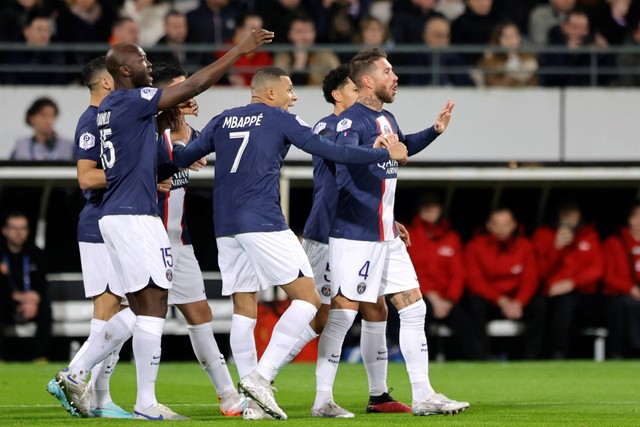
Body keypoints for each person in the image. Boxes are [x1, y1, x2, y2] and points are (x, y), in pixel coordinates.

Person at [48, 28, 274, 420]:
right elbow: (196, 84)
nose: (148, 65)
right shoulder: (131, 101)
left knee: (139, 307)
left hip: (123, 215)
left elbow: (150, 157)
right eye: (141, 60)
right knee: (152, 305)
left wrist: (179, 151)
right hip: (134, 217)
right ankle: (142, 402)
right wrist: (239, 50)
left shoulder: (108, 111)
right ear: (121, 71)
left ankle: (78, 371)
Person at [170, 66, 408, 420]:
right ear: (269, 94)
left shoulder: (223, 120)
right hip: (263, 221)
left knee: (243, 306)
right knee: (309, 300)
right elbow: (334, 152)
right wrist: (382, 153)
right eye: (290, 89)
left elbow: (180, 159)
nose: (293, 97)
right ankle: (260, 378)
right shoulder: (280, 118)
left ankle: (252, 406)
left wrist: (164, 158)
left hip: (226, 225)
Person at [317, 48, 468, 417]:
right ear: (367, 80)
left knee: (414, 306)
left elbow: (402, 148)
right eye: (388, 71)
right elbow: (346, 156)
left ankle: (424, 394)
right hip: (355, 234)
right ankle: (320, 398)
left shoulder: (386, 117)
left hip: (385, 233)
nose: (395, 76)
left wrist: (433, 132)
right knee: (343, 312)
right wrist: (380, 150)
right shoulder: (351, 121)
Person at [273, 65, 412, 418]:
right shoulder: (328, 127)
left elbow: (365, 182)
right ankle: (263, 376)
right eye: (353, 90)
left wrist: (386, 219)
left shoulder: (359, 126)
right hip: (328, 233)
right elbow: (348, 163)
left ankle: (379, 394)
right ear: (337, 94)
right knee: (324, 316)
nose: (360, 97)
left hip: (362, 232)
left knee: (376, 306)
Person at [152, 61, 248, 416]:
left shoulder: (189, 132)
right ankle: (85, 379)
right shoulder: (146, 128)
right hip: (146, 236)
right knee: (128, 317)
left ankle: (227, 395)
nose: (189, 92)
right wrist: (175, 161)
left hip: (179, 240)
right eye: (182, 87)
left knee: (199, 313)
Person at [44, 56, 132, 419]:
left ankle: (97, 396)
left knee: (118, 309)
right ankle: (79, 381)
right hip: (98, 224)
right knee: (114, 309)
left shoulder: (108, 119)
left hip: (110, 224)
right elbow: (86, 177)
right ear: (107, 84)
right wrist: (130, 176)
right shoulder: (91, 120)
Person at [404, 193, 482, 360]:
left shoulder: (451, 237)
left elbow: (458, 273)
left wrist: (449, 300)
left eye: (433, 207)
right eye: (426, 208)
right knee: (419, 315)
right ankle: (423, 361)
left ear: (439, 209)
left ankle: (479, 361)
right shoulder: (408, 235)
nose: (430, 212)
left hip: (447, 299)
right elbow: (408, 270)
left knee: (465, 322)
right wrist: (430, 295)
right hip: (419, 295)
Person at [465, 206, 545, 359]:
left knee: (540, 305)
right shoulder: (475, 246)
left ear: (514, 225)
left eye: (506, 224)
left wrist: (518, 302)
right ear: (489, 225)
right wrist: (502, 301)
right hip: (492, 301)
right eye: (497, 224)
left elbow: (530, 279)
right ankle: (482, 357)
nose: (501, 229)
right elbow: (475, 281)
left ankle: (530, 358)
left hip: (517, 302)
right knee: (475, 305)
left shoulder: (525, 246)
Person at [532, 201, 604, 359]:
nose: (568, 217)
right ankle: (543, 355)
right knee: (543, 306)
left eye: (572, 212)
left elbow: (597, 269)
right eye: (564, 212)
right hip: (550, 296)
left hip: (583, 296)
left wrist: (572, 283)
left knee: (568, 302)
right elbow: (540, 273)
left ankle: (561, 353)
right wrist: (556, 248)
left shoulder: (589, 236)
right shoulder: (543, 235)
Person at [0, 212, 52, 362]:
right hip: (7, 301)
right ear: (5, 230)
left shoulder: (36, 253)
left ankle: (39, 356)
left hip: (31, 303)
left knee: (45, 308)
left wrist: (34, 300)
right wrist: (19, 297)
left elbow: (42, 283)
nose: (18, 233)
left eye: (22, 229)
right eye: (13, 228)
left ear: (28, 231)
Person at [602, 202, 640, 358]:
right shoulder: (614, 242)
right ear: (630, 219)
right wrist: (630, 288)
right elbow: (608, 276)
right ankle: (630, 351)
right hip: (619, 295)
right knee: (626, 304)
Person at [403, 15, 474, 86]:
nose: (443, 40)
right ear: (425, 36)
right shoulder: (415, 60)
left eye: (446, 36)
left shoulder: (456, 60)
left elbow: (467, 86)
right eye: (438, 35)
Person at [1, 12, 68, 85]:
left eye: (47, 30)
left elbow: (60, 84)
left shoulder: (56, 57)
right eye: (39, 29)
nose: (44, 35)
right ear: (26, 32)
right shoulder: (14, 57)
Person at [274, 13, 341, 86]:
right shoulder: (283, 55)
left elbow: (338, 81)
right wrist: (299, 64)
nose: (305, 37)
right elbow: (279, 86)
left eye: (308, 31)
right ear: (290, 35)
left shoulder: (325, 55)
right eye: (299, 32)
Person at [216, 13, 273, 87]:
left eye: (261, 29)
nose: (259, 33)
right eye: (253, 29)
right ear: (239, 30)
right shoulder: (224, 51)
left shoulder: (264, 53)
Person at [10, 97, 74, 161]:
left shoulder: (67, 147)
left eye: (52, 116)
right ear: (31, 118)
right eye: (44, 115)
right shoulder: (22, 147)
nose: (49, 121)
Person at [478, 21, 538, 87]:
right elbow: (493, 85)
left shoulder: (528, 57)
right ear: (498, 39)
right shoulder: (490, 59)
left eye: (515, 36)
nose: (511, 41)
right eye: (506, 37)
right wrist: (511, 75)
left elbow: (534, 85)